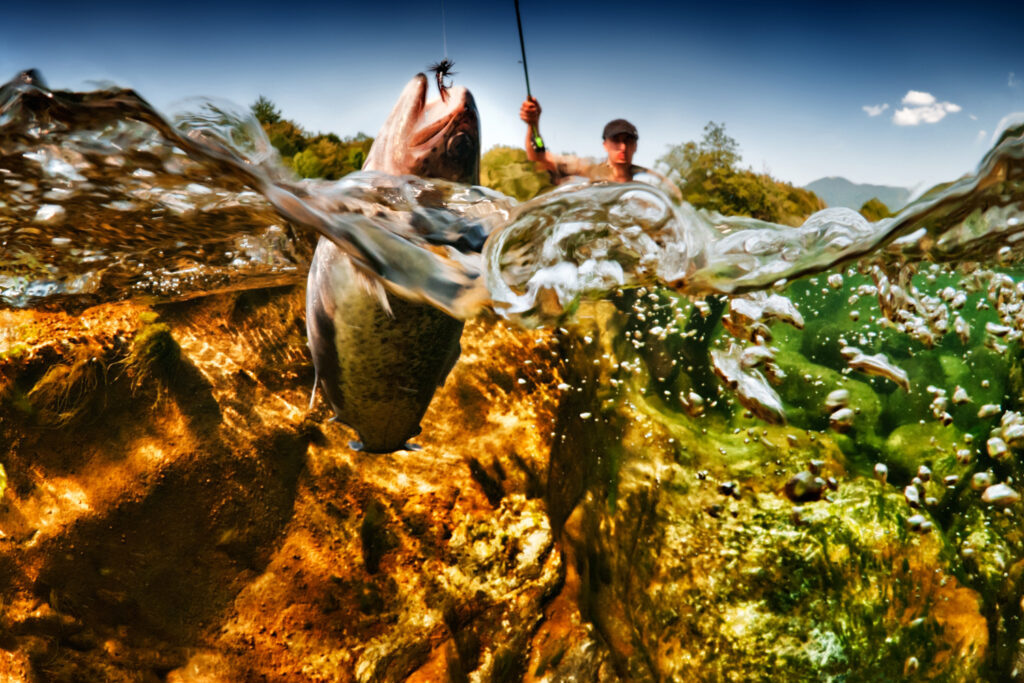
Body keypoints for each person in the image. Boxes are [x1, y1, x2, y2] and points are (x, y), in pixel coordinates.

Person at [519, 96, 680, 197]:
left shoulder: (650, 181)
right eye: (616, 140)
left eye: (628, 141)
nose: (622, 147)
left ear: (635, 146)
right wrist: (533, 125)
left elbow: (674, 198)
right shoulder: (588, 168)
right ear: (605, 145)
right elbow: (540, 158)